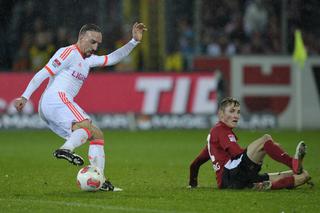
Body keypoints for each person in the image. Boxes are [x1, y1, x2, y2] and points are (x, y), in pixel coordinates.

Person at [14, 22, 147, 191]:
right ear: (82, 37)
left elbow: (112, 58)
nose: (96, 46)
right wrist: (25, 96)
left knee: (96, 134)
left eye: (98, 43)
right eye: (93, 42)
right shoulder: (68, 52)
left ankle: (100, 180)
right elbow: (44, 72)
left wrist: (134, 41)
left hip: (53, 106)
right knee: (86, 125)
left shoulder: (88, 60)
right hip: (56, 98)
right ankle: (65, 149)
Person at [188, 97, 312, 190]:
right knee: (265, 138)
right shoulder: (220, 129)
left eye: (238, 112)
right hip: (232, 174)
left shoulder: (213, 139)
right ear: (221, 114)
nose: (236, 115)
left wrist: (192, 184)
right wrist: (267, 147)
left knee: (303, 175)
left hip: (231, 181)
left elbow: (195, 164)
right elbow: (237, 153)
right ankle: (293, 163)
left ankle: (267, 185)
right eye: (232, 111)